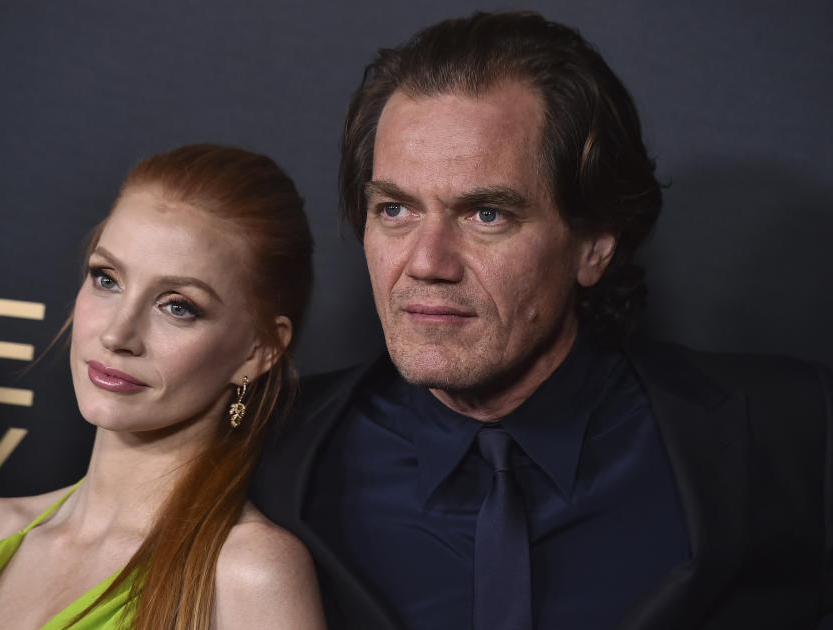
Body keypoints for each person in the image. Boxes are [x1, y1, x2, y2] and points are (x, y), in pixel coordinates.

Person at [251, 11, 833, 630]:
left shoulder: (792, 429)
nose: (425, 263)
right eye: (394, 208)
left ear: (594, 246)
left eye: (486, 215)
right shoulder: (266, 452)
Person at [0, 145, 327, 629]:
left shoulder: (249, 576)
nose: (117, 335)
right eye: (107, 279)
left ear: (259, 350)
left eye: (177, 306)